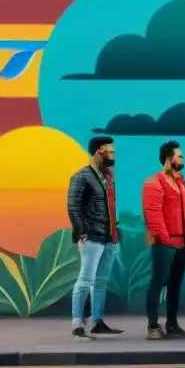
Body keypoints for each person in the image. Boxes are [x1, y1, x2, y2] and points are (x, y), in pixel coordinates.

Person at [66, 135, 123, 339]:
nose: (113, 155)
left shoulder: (107, 177)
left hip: (108, 237)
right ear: (100, 150)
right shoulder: (81, 177)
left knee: (100, 282)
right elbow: (73, 207)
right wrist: (81, 231)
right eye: (111, 151)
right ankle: (77, 323)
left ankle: (97, 321)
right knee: (85, 279)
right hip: (91, 236)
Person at [142, 140, 185, 340]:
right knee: (158, 282)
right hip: (165, 243)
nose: (182, 159)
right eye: (179, 156)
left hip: (182, 244)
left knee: (175, 285)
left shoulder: (182, 182)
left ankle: (172, 324)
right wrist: (164, 240)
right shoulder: (153, 183)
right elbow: (153, 214)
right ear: (168, 159)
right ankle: (153, 325)